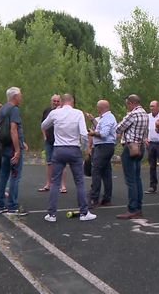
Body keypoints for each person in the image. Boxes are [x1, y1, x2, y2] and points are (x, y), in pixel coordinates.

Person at [41, 93, 96, 222]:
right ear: (72, 102)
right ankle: (84, 213)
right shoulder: (78, 113)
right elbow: (83, 133)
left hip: (59, 149)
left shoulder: (55, 113)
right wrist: (82, 148)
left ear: (61, 102)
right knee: (79, 182)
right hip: (73, 149)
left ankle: (51, 214)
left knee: (54, 182)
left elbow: (43, 125)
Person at [0, 87, 29, 216]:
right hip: (13, 148)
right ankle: (13, 206)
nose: (21, 97)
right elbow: (13, 129)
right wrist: (18, 150)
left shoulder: (2, 109)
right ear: (15, 97)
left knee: (3, 175)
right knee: (15, 176)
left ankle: (0, 204)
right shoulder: (14, 110)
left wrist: (21, 142)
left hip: (5, 146)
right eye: (20, 95)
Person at [115, 94, 149, 219]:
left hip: (130, 147)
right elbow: (145, 132)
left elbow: (118, 128)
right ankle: (138, 207)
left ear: (130, 103)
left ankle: (132, 208)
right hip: (140, 146)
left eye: (127, 104)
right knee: (137, 178)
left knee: (130, 180)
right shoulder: (145, 114)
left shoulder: (132, 114)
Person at [87, 100, 117, 208]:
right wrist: (93, 120)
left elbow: (104, 134)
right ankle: (106, 198)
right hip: (106, 146)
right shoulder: (105, 118)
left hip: (104, 146)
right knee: (106, 172)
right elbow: (101, 127)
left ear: (101, 108)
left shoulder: (108, 118)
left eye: (97, 107)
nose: (96, 109)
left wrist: (92, 133)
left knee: (96, 171)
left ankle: (94, 199)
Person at [39, 94, 68, 193]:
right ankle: (48, 184)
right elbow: (42, 125)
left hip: (60, 141)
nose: (55, 103)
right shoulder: (47, 111)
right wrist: (45, 136)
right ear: (51, 101)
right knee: (49, 163)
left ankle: (63, 185)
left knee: (62, 163)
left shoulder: (63, 112)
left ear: (61, 102)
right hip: (49, 141)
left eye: (57, 101)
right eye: (54, 101)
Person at [144, 100, 159, 195]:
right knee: (152, 165)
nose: (151, 108)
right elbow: (144, 128)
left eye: (153, 106)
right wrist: (145, 138)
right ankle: (152, 186)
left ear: (158, 107)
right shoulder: (147, 117)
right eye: (150, 106)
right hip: (151, 143)